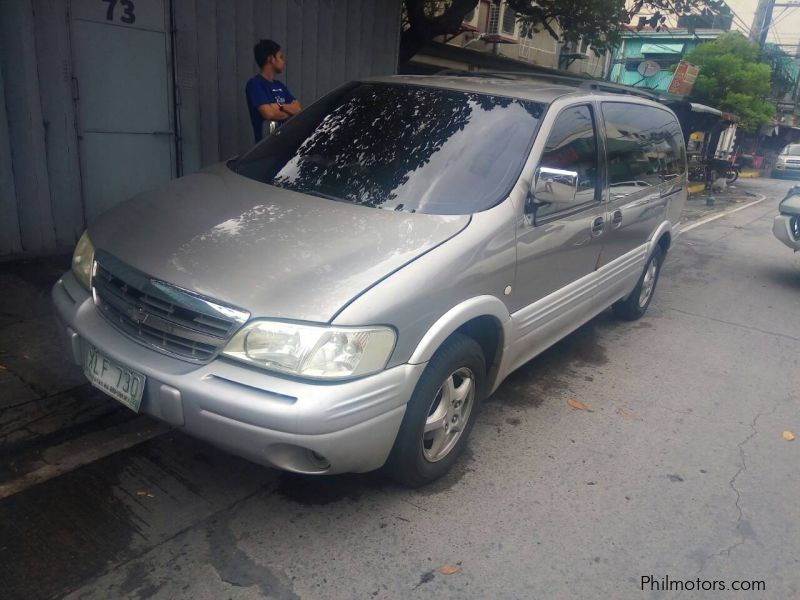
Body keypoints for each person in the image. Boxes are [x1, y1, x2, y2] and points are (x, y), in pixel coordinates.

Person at [245, 40, 302, 142]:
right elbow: (269, 114)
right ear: (271, 59)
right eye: (280, 57)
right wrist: (289, 111)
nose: (283, 61)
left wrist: (280, 106)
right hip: (267, 151)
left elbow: (297, 108)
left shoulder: (280, 85)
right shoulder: (255, 84)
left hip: (285, 147)